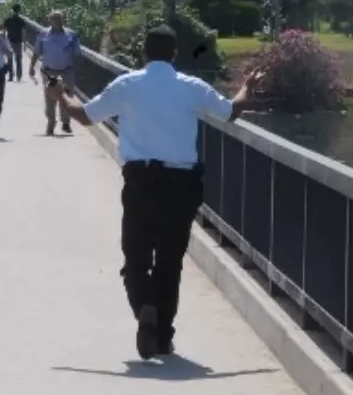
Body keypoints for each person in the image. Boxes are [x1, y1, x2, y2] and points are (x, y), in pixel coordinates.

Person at [45, 24, 261, 360]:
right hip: (182, 186)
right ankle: (162, 335)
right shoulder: (192, 87)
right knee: (170, 263)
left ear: (143, 52)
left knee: (135, 259)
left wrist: (60, 94)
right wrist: (247, 88)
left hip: (141, 184)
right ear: (174, 54)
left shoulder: (127, 85)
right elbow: (232, 111)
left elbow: (84, 116)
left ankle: (145, 306)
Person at [28, 11, 81, 135]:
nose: (57, 21)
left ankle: (66, 122)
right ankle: (51, 123)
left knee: (67, 98)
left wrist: (76, 70)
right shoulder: (43, 34)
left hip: (66, 71)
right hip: (49, 71)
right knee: (50, 98)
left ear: (64, 20)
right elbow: (36, 51)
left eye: (60, 19)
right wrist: (32, 66)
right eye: (54, 19)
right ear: (50, 21)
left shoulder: (71, 35)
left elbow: (78, 54)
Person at [3, 4, 26, 81]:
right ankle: (19, 76)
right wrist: (24, 42)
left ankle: (10, 76)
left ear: (12, 10)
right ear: (19, 11)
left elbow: (4, 30)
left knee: (10, 59)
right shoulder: (21, 21)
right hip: (18, 42)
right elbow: (23, 32)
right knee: (18, 59)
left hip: (9, 41)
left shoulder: (8, 20)